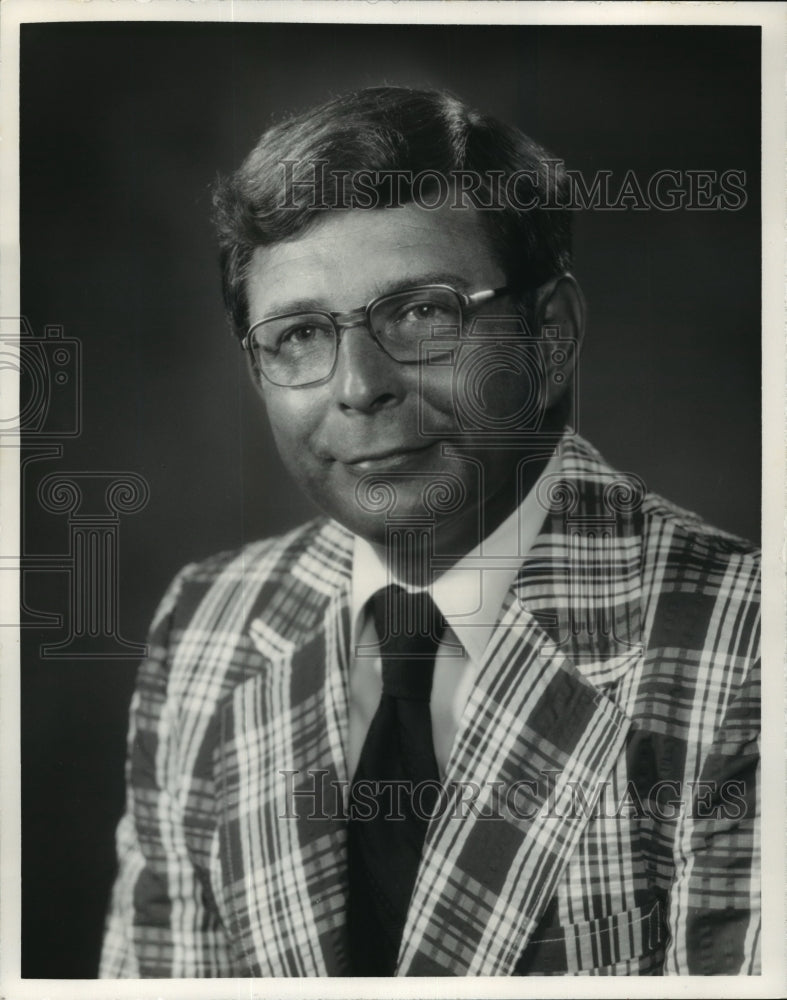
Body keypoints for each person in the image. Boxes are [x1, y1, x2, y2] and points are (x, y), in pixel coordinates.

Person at [99, 87, 760, 977]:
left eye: (421, 313)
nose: (358, 385)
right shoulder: (206, 626)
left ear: (550, 333)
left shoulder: (746, 645)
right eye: (298, 333)